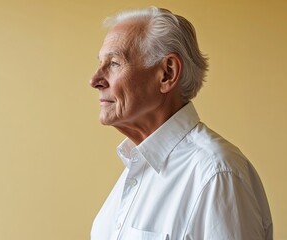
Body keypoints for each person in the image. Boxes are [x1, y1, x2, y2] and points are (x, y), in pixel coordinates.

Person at [89, 6, 273, 240]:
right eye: (100, 63)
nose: (94, 80)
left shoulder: (216, 174)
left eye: (114, 63)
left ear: (167, 73)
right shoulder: (135, 169)